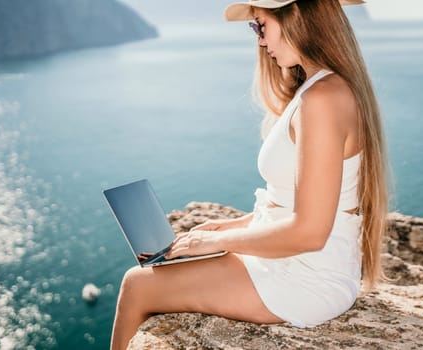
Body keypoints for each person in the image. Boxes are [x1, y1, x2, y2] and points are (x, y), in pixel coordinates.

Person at [110, 0, 389, 348]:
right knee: (156, 272)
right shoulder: (321, 88)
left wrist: (216, 243)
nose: (259, 40)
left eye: (260, 25)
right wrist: (225, 227)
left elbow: (309, 233)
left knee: (137, 284)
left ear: (296, 16)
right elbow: (287, 206)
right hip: (295, 264)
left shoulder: (323, 98)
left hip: (304, 278)